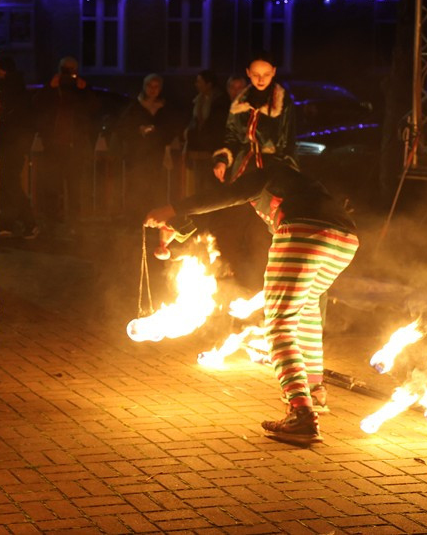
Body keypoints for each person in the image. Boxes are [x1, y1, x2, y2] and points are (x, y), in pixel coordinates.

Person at [145, 156, 359, 445]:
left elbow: (229, 195)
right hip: (345, 240)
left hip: (303, 232)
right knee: (307, 310)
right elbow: (223, 205)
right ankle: (313, 392)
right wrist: (179, 224)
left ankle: (301, 414)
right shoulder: (300, 186)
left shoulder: (271, 173)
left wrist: (173, 208)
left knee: (279, 324)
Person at [32, 56, 98, 231]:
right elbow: (37, 105)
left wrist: (84, 90)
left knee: (74, 186)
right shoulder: (53, 88)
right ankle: (52, 221)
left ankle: (74, 222)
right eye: (65, 69)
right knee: (53, 184)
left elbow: (94, 108)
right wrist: (50, 88)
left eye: (72, 70)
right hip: (54, 145)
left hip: (75, 146)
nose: (69, 73)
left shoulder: (81, 89)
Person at [213, 53, 297, 184]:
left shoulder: (283, 103)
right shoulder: (240, 104)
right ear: (248, 73)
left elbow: (288, 142)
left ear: (274, 72)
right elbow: (232, 137)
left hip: (272, 169)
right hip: (244, 168)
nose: (261, 79)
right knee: (239, 201)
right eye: (256, 74)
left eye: (266, 74)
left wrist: (285, 174)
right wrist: (222, 161)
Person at [115, 73, 178, 216]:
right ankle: (134, 218)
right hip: (137, 154)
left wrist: (158, 133)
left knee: (154, 186)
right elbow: (122, 127)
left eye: (156, 87)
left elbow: (171, 129)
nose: (152, 90)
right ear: (144, 87)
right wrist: (138, 130)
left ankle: (151, 218)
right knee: (135, 186)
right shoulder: (134, 107)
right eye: (149, 86)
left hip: (156, 154)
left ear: (160, 89)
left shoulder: (165, 108)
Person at [0, 57, 37, 238]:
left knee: (9, 184)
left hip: (9, 146)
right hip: (12, 146)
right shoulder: (19, 90)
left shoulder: (8, 90)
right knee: (7, 184)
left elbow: (12, 121)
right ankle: (11, 223)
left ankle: (27, 222)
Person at [182, 69, 230, 196]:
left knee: (211, 188)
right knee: (198, 186)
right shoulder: (198, 100)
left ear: (208, 84)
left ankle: (211, 215)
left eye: (199, 81)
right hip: (198, 151)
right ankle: (199, 215)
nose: (196, 84)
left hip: (211, 151)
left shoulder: (220, 103)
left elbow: (215, 127)